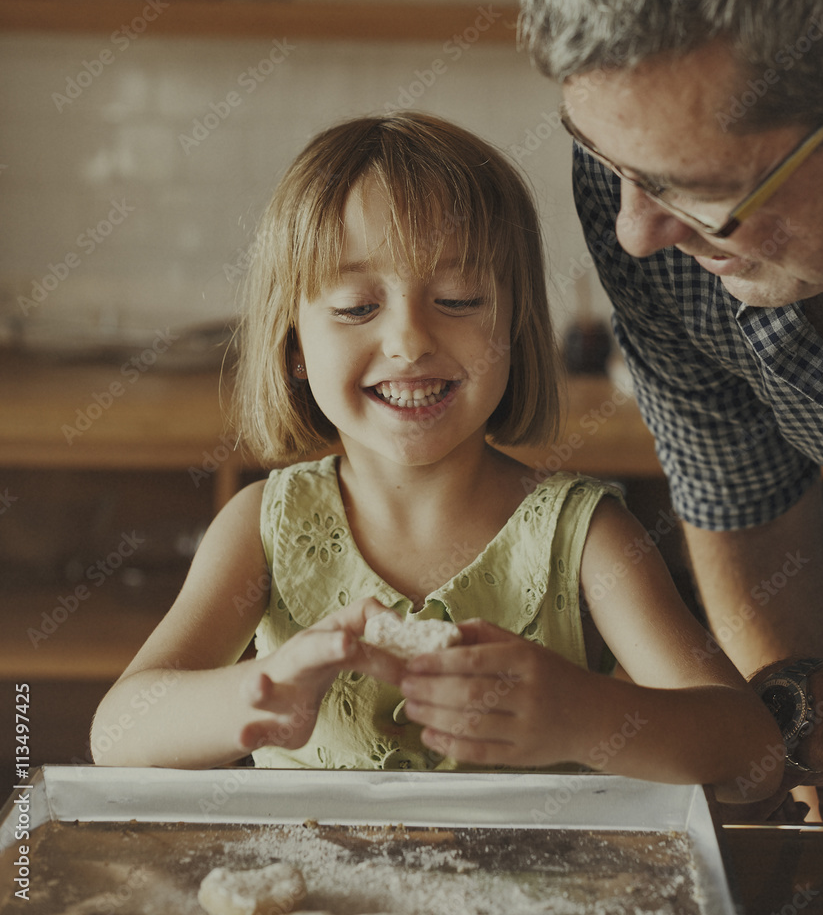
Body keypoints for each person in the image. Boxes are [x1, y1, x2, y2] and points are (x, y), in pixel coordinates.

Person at [90, 112, 781, 802]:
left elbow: (751, 755)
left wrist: (584, 716)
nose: (410, 340)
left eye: (458, 298)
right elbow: (118, 733)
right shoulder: (262, 527)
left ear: (515, 323)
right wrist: (259, 695)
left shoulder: (583, 537)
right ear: (294, 346)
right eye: (358, 306)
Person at [484, 0, 823, 822]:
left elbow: (791, 717)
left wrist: (798, 717)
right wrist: (813, 802)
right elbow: (741, 496)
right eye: (608, 160)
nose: (636, 231)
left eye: (699, 190)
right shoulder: (643, 182)